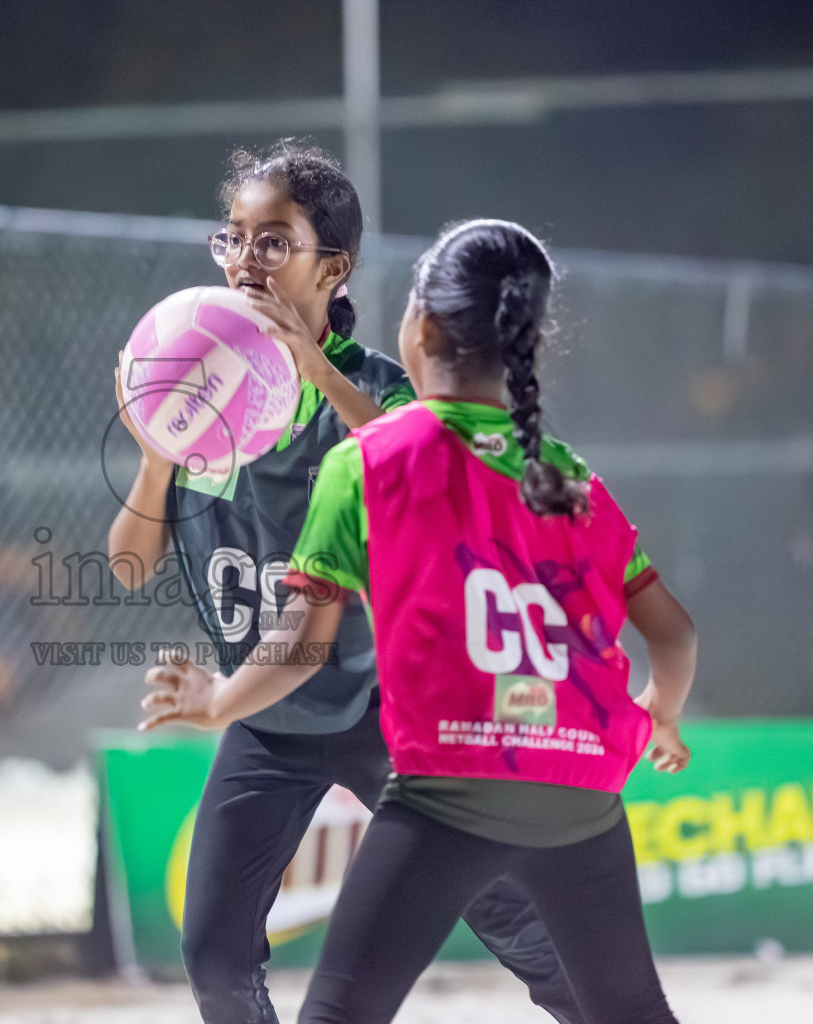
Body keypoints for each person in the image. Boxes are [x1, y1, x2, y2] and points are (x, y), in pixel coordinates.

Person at [140, 219, 698, 1024]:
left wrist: (221, 699)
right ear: (529, 345)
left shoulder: (367, 460)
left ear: (421, 329)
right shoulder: (566, 475)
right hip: (583, 785)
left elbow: (302, 645)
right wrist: (663, 717)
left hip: (455, 785)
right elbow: (673, 632)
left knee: (338, 1013)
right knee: (630, 1012)